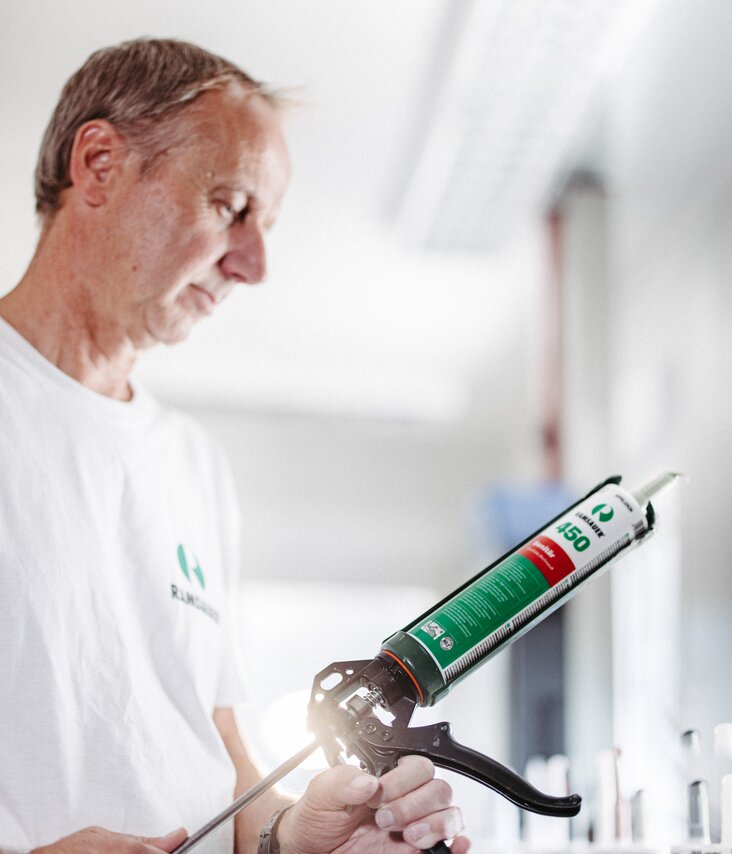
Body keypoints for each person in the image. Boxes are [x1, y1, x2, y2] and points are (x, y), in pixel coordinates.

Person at [0, 38, 470, 854]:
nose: (254, 264)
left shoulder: (193, 465)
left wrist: (298, 834)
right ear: (101, 164)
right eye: (231, 205)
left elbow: (218, 757)